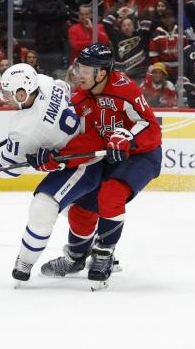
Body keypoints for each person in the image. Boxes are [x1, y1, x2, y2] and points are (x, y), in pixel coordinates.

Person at [0, 63, 105, 284]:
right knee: (75, 209)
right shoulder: (46, 82)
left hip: (84, 162)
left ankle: (25, 263)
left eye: (10, 93)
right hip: (84, 146)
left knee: (44, 206)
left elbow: (11, 167)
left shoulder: (24, 129)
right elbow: (65, 91)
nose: (6, 98)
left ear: (23, 92)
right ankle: (101, 248)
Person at [39, 43, 162, 290]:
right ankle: (75, 258)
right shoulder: (81, 96)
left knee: (111, 194)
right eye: (77, 68)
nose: (78, 74)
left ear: (102, 73)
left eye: (85, 69)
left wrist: (127, 137)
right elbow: (83, 138)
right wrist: (57, 155)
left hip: (140, 155)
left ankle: (103, 254)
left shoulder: (124, 88)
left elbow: (150, 126)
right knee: (81, 208)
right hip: (107, 155)